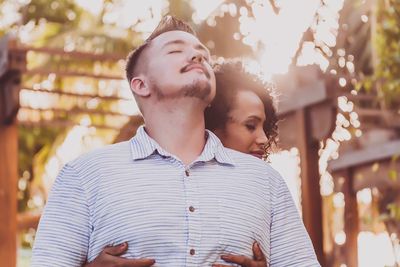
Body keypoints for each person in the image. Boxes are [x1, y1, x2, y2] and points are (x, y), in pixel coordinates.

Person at [31, 16, 320, 267]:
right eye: (175, 50)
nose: (197, 57)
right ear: (140, 84)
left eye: (203, 55)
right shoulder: (84, 175)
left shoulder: (265, 182)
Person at [84, 61, 276, 267]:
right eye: (250, 125)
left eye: (265, 127)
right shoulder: (115, 180)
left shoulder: (267, 186)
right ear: (212, 123)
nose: (264, 139)